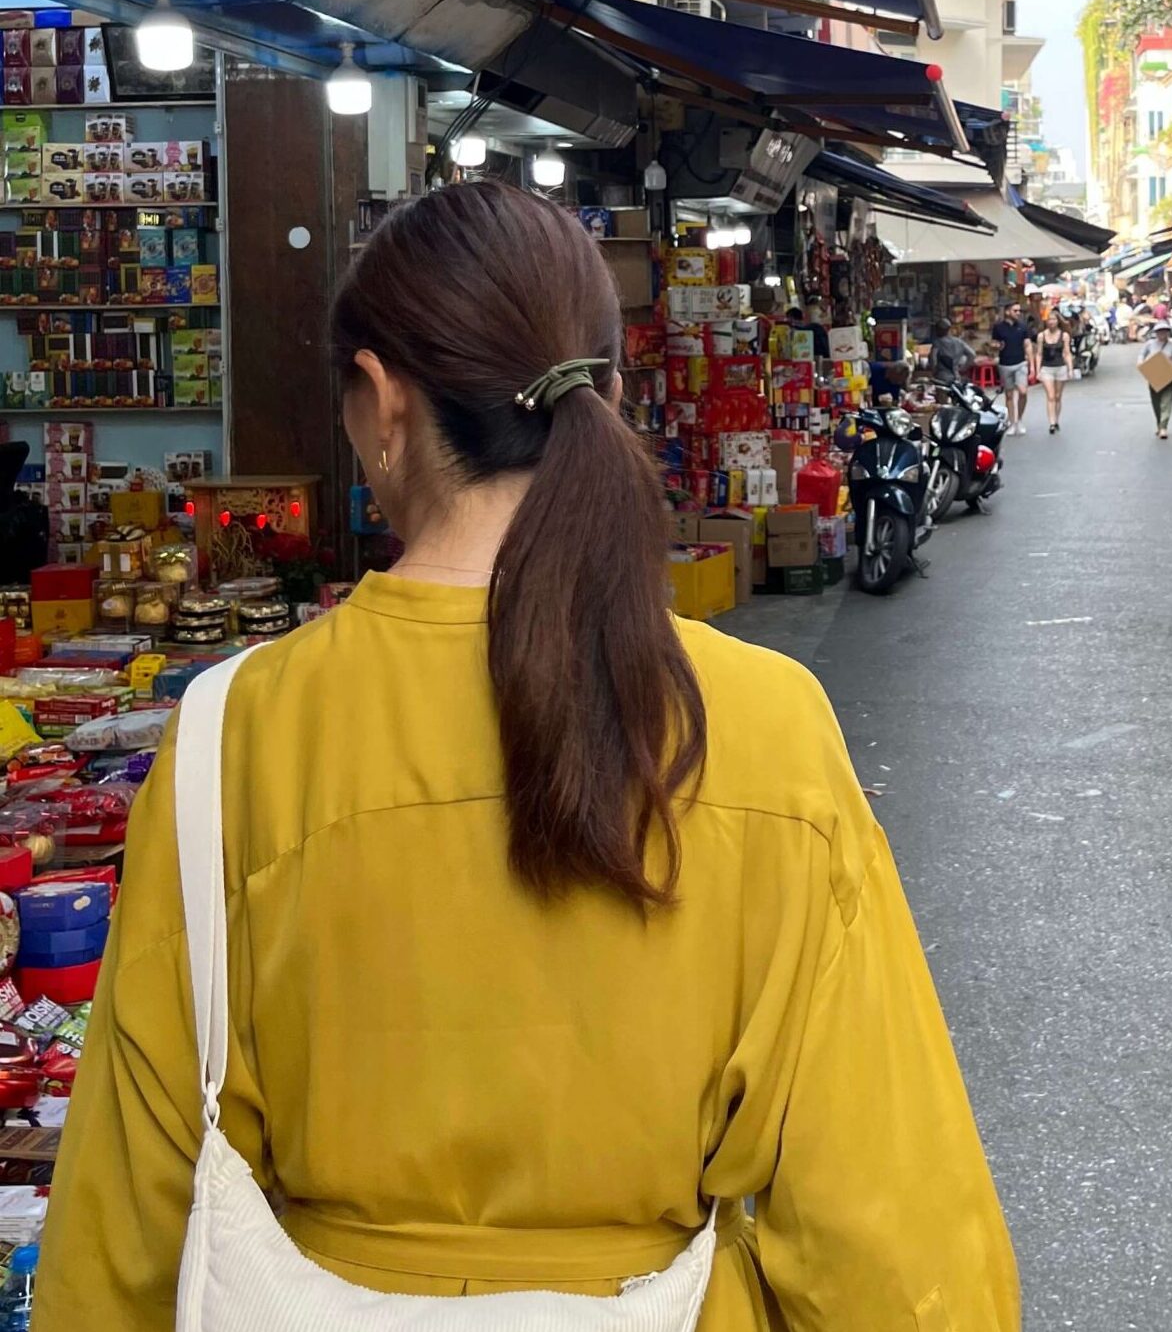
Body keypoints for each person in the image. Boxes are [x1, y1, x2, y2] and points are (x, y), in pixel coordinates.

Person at [35, 182, 1020, 1328]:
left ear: (380, 402)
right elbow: (889, 1230)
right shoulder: (761, 724)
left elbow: (128, 1215)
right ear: (605, 390)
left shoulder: (230, 737)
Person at [1138, 313, 1172, 438]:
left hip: (1169, 377)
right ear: (1156, 333)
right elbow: (1141, 355)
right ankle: (1159, 424)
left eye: (1164, 332)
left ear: (1168, 333)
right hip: (1154, 377)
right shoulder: (1150, 344)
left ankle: (1163, 427)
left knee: (1166, 402)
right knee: (1156, 403)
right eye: (1160, 332)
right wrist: (1140, 362)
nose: (1162, 334)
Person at [994, 301, 1034, 434]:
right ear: (1007, 312)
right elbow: (994, 343)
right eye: (1015, 310)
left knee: (1023, 391)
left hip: (1020, 363)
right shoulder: (998, 327)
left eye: (1019, 311)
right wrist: (996, 346)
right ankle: (1012, 422)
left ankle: (1020, 419)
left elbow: (1027, 345)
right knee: (1009, 394)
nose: (1018, 313)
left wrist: (1032, 365)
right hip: (1005, 364)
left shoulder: (1022, 327)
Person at [1032, 309, 1073, 433]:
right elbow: (1039, 354)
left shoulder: (1064, 335)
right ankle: (1052, 422)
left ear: (1058, 321)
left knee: (1057, 396)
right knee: (1050, 396)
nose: (1051, 322)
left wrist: (1070, 369)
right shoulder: (1041, 336)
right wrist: (1037, 370)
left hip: (1060, 367)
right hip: (1046, 368)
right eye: (1049, 320)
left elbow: (1067, 353)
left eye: (1054, 319)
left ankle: (1057, 418)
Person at [930, 316, 976, 383]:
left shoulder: (937, 343)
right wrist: (963, 369)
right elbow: (972, 354)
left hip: (941, 377)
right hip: (956, 376)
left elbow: (933, 359)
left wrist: (934, 371)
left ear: (938, 330)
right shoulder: (959, 342)